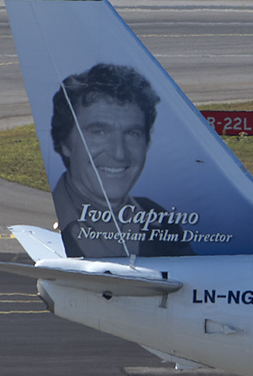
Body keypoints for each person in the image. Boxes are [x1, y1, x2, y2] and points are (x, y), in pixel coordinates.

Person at [48, 63, 194, 258]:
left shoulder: (161, 220)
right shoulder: (50, 218)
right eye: (99, 132)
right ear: (65, 142)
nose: (119, 153)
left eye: (132, 133)